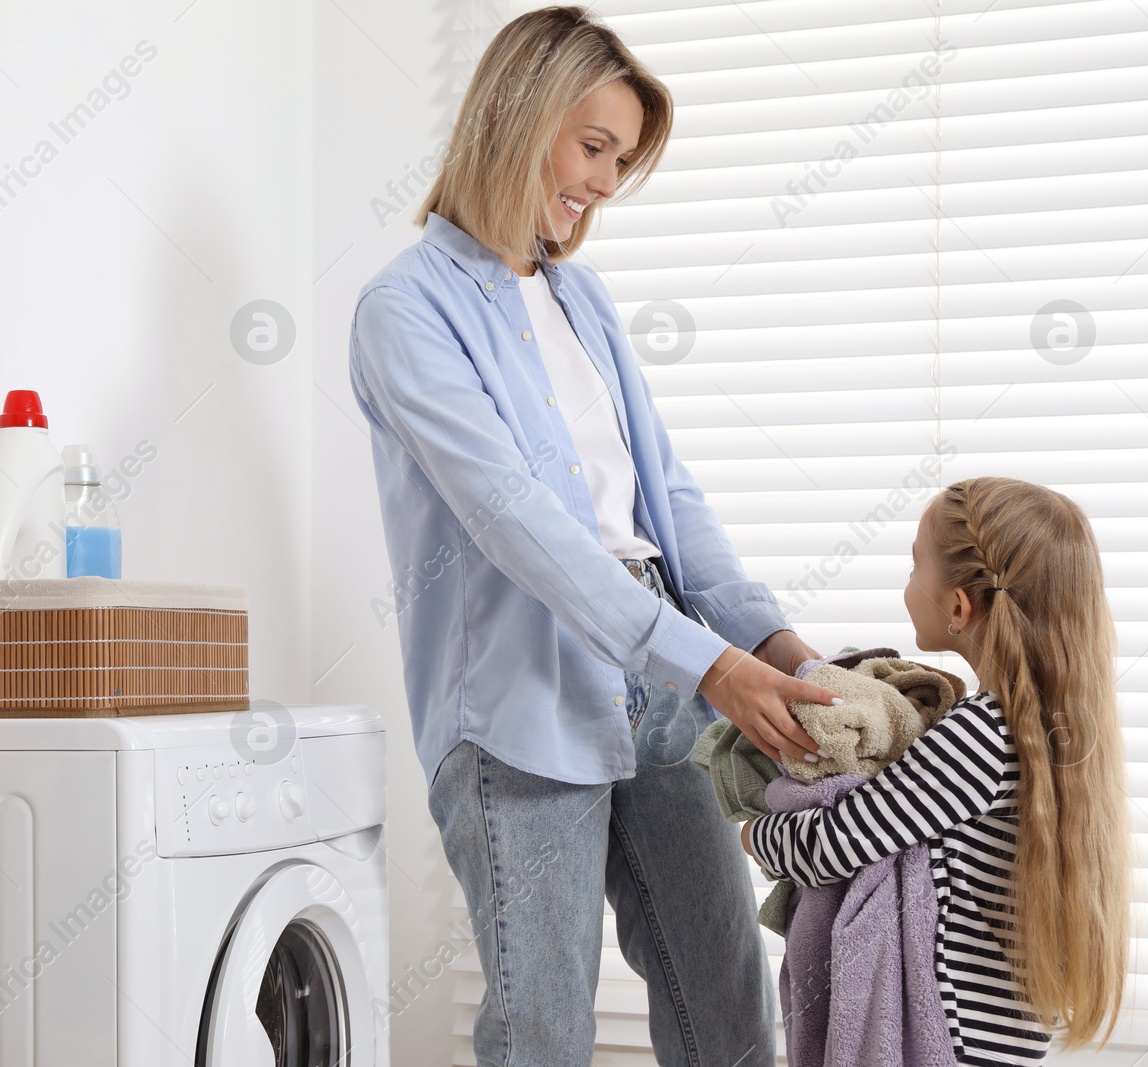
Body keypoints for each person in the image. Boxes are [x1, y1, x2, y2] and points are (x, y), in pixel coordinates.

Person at [347, 8, 843, 1065]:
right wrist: (707, 663)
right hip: (520, 709)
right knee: (544, 1031)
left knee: (728, 1009)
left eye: (620, 160)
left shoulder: (581, 297)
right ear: (518, 116)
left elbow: (663, 497)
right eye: (594, 147)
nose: (606, 183)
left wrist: (775, 648)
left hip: (662, 685)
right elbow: (512, 519)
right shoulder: (405, 310)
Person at [744, 477, 1132, 1065]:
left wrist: (755, 834)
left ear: (958, 605)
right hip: (999, 1036)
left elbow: (834, 844)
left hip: (944, 1037)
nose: (906, 583)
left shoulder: (982, 733)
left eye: (913, 565)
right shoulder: (1052, 732)